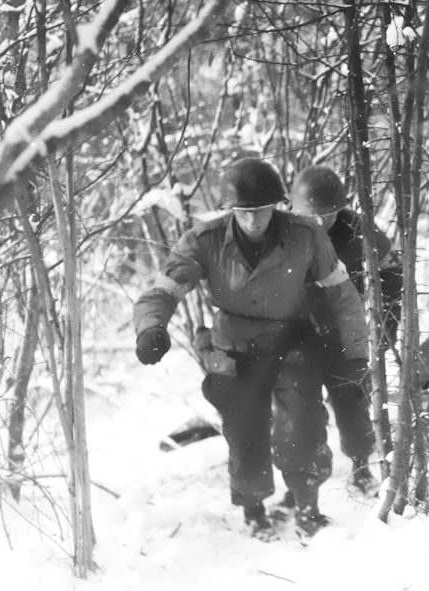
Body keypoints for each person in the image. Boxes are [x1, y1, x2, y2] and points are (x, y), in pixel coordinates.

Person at [133, 157, 369, 537]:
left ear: (276, 205)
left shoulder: (306, 235)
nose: (254, 219)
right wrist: (149, 328)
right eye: (244, 211)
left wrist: (357, 352)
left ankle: (308, 506)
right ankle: (254, 510)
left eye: (262, 210)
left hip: (292, 339)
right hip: (235, 347)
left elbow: (343, 295)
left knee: (304, 423)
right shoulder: (203, 241)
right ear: (230, 210)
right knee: (246, 429)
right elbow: (162, 291)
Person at [289, 165, 402, 495]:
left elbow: (393, 280)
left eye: (329, 214)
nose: (321, 222)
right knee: (297, 414)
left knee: (353, 403)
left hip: (345, 334)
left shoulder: (362, 231)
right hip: (297, 338)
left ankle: (361, 464)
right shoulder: (283, 231)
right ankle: (299, 484)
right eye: (313, 215)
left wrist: (385, 329)